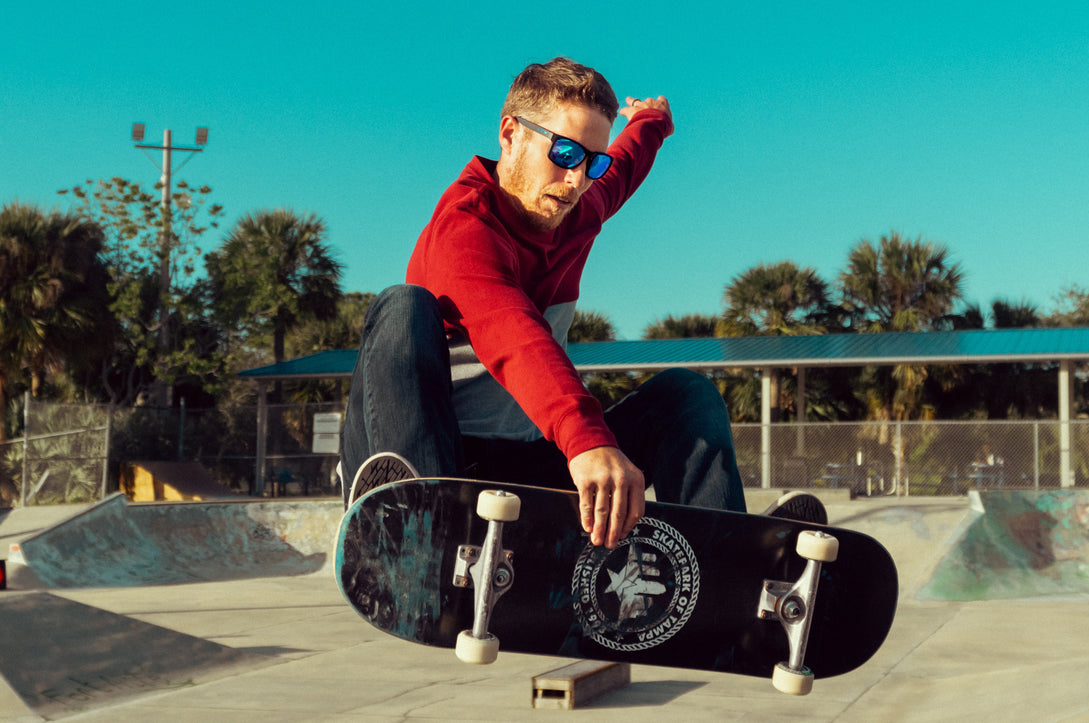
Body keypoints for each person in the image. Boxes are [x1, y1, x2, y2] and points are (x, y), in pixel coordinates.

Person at [340, 57, 824, 548]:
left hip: (533, 462)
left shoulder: (577, 204)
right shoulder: (463, 230)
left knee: (687, 395)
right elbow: (515, 336)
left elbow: (626, 166)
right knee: (403, 307)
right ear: (510, 135)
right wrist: (589, 441)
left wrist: (652, 121)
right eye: (566, 153)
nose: (576, 181)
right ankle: (407, 519)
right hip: (443, 458)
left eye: (593, 162)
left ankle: (721, 563)